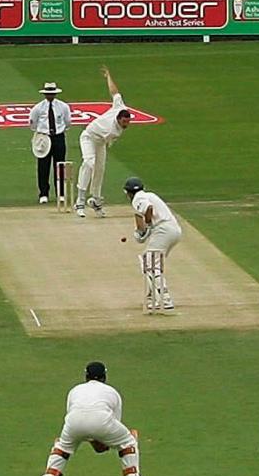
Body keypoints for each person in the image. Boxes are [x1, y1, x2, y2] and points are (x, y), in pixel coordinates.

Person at [38, 360, 148, 476]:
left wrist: (91, 439)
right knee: (128, 441)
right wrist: (100, 441)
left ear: (86, 375)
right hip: (102, 421)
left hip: (73, 422)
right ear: (105, 376)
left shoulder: (75, 390)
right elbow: (113, 423)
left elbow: (75, 415)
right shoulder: (112, 392)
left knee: (62, 447)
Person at [74, 66, 134, 218]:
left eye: (128, 122)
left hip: (100, 142)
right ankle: (80, 201)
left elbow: (115, 92)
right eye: (124, 122)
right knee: (89, 163)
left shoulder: (120, 107)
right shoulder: (112, 130)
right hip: (88, 137)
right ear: (119, 119)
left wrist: (108, 76)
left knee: (99, 171)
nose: (126, 125)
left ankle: (95, 200)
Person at [123, 178, 182, 312]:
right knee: (151, 262)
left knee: (149, 263)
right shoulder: (149, 195)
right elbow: (141, 221)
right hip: (174, 229)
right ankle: (152, 298)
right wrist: (143, 231)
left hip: (163, 230)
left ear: (127, 193)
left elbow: (148, 209)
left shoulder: (137, 199)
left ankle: (165, 299)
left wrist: (148, 225)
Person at [29, 82, 72, 205]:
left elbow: (68, 122)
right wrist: (42, 133)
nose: (50, 96)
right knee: (43, 166)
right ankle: (43, 193)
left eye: (52, 93)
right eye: (48, 94)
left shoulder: (63, 107)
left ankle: (61, 193)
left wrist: (58, 131)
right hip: (44, 138)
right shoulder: (38, 108)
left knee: (60, 166)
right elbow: (33, 124)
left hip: (58, 137)